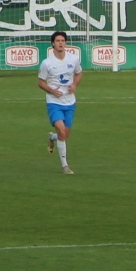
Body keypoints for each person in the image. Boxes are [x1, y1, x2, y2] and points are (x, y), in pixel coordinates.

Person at [38, 29, 82, 174]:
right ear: (53, 44)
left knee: (64, 135)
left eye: (63, 40)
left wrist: (74, 85)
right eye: (58, 41)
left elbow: (79, 73)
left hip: (70, 102)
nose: (61, 43)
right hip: (54, 102)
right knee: (62, 132)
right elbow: (41, 82)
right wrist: (52, 91)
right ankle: (65, 166)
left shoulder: (73, 59)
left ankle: (52, 137)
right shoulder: (47, 63)